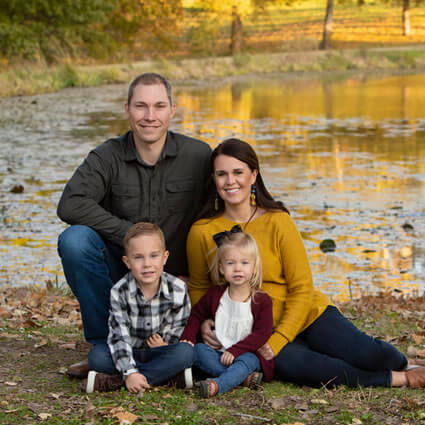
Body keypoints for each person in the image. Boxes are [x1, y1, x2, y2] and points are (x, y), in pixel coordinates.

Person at [186, 137, 425, 389]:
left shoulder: (278, 221)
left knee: (372, 355)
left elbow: (301, 287)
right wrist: (204, 322)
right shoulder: (201, 232)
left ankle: (402, 363)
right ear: (214, 179)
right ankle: (398, 378)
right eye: (222, 174)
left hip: (307, 314)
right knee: (311, 368)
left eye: (238, 172)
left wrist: (280, 338)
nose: (230, 181)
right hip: (253, 332)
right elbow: (200, 287)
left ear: (254, 175)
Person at [57, 73, 211, 379]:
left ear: (172, 109)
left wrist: (196, 278)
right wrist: (131, 237)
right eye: (141, 106)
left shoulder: (198, 155)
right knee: (74, 241)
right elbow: (70, 203)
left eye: (158, 106)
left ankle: (160, 353)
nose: (150, 116)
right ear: (127, 109)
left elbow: (218, 214)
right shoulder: (107, 156)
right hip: (122, 274)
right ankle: (106, 347)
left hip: (175, 281)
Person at [85, 222, 194, 393]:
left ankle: (116, 382)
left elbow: (178, 326)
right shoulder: (119, 291)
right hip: (131, 351)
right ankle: (165, 378)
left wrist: (165, 344)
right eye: (138, 257)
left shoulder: (178, 289)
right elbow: (118, 335)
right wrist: (129, 371)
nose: (147, 264)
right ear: (127, 262)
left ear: (165, 257)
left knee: (186, 352)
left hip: (159, 352)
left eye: (153, 256)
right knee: (97, 357)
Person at [180, 228, 274, 398]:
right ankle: (243, 379)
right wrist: (188, 338)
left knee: (249, 361)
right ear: (222, 268)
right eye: (231, 263)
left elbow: (263, 333)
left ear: (254, 267)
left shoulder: (262, 300)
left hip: (247, 354)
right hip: (218, 353)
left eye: (244, 263)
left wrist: (236, 351)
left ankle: (218, 385)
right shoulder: (215, 295)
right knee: (198, 351)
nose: (238, 268)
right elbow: (196, 314)